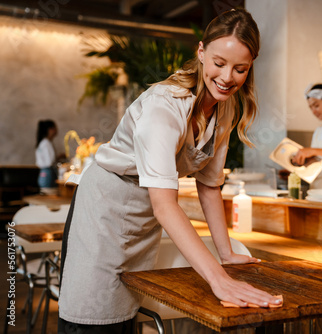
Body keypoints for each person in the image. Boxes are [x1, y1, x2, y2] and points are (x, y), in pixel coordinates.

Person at [58, 8, 281, 333]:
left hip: (142, 215)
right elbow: (165, 204)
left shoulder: (226, 107)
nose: (227, 77)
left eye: (240, 69)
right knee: (91, 318)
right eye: (219, 63)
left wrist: (226, 253)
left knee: (123, 318)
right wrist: (218, 280)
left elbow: (208, 185)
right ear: (201, 52)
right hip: (104, 212)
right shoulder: (164, 108)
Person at [35, 119, 59, 193]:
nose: (57, 130)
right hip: (48, 173)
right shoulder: (46, 143)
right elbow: (50, 161)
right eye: (55, 128)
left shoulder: (43, 142)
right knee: (50, 194)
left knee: (46, 192)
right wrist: (59, 157)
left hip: (43, 173)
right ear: (50, 129)